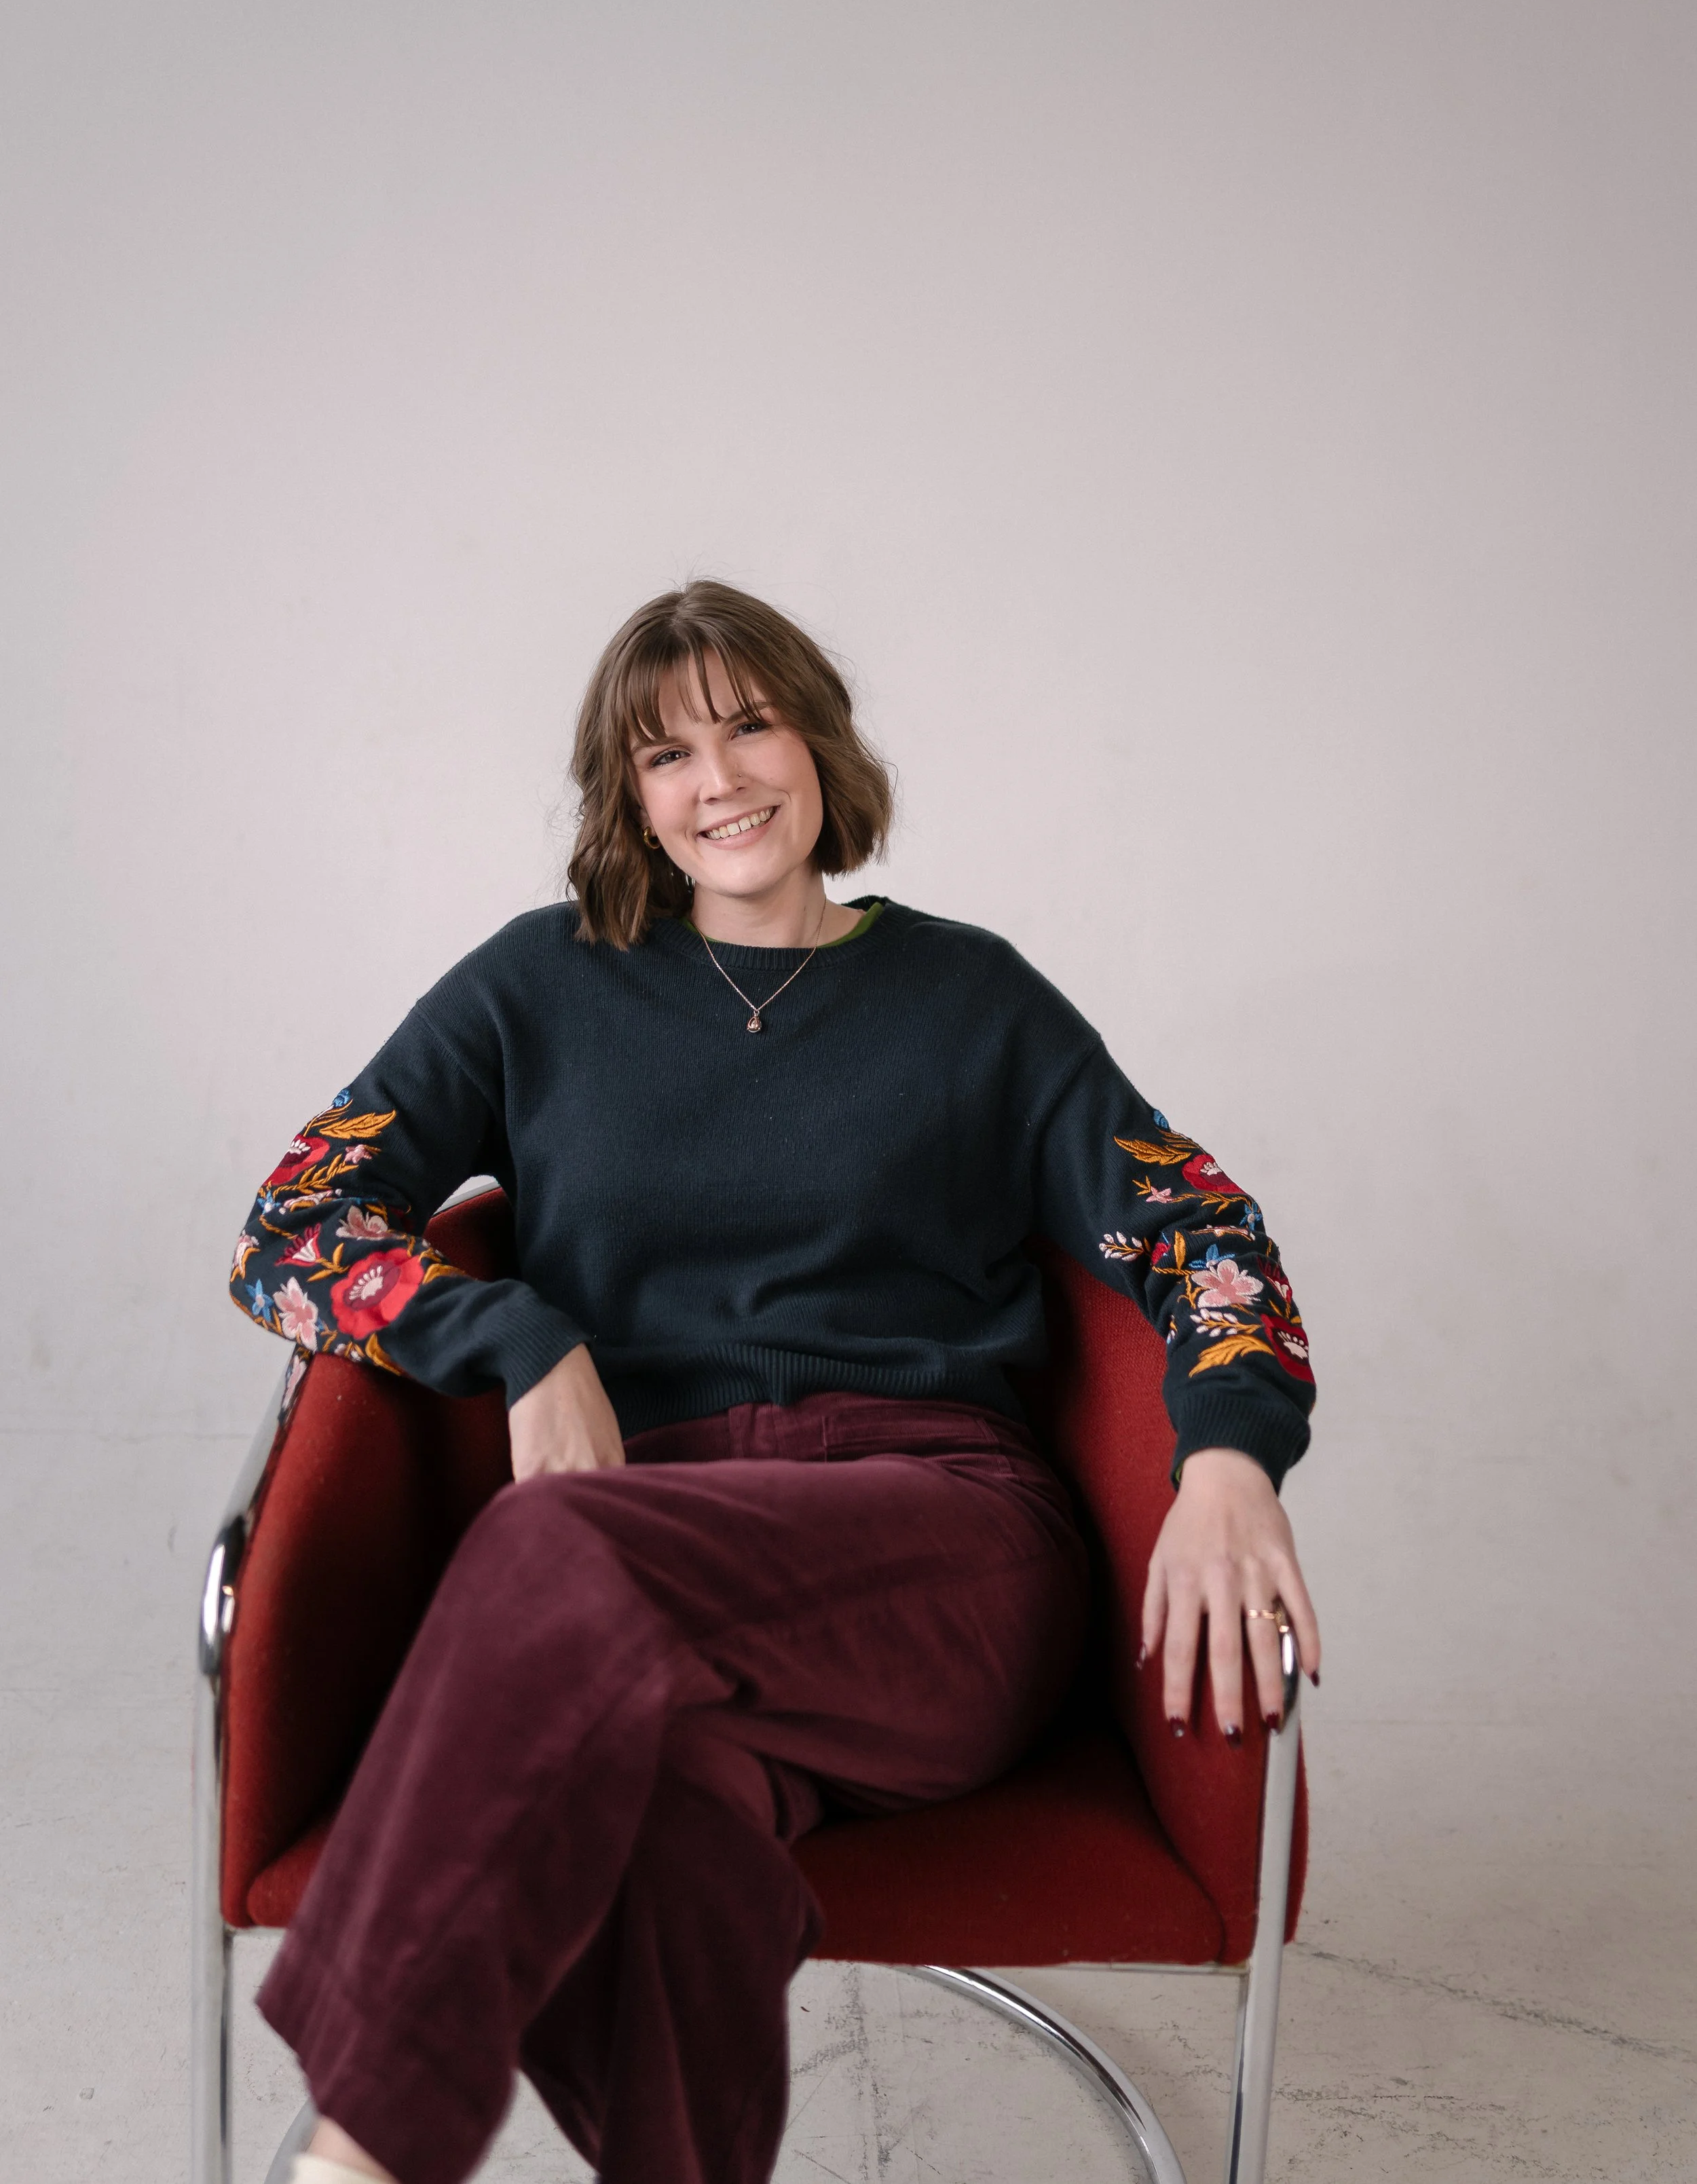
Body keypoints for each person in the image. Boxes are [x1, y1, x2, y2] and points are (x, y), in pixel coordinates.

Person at [231, 580, 1320, 2184]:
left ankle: (356, 2151)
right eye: (665, 752)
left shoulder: (972, 996)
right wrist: (517, 1339)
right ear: (631, 800)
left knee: (539, 1543)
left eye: (748, 723)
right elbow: (292, 1223)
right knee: (665, 1832)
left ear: (816, 739)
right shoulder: (537, 986)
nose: (718, 776)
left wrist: (1223, 1458)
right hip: (645, 1576)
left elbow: (1198, 1231)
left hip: (939, 1544)